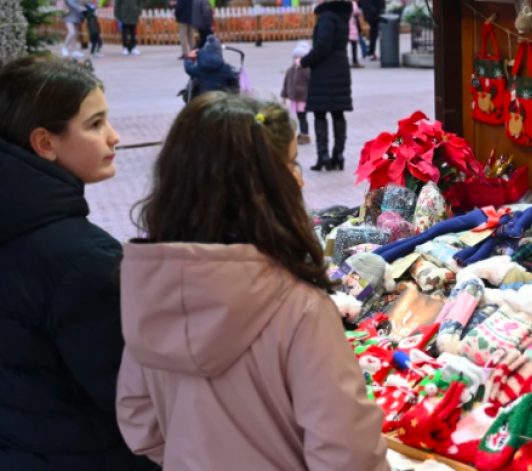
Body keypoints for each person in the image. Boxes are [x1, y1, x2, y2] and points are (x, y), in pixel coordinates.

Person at [115, 93, 389, 471]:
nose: (300, 179)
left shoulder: (151, 293)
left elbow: (139, 423)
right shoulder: (300, 310)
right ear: (262, 188)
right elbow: (349, 456)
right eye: (291, 164)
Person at [0, 56, 158, 471]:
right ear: (45, 143)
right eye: (95, 124)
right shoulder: (82, 260)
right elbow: (136, 401)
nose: (115, 137)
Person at [301, 0, 353, 172]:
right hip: (340, 68)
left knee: (320, 112)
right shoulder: (342, 16)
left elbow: (323, 45)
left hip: (325, 70)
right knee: (338, 112)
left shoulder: (326, 17)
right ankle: (338, 155)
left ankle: (323, 156)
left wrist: (305, 61)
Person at [282, 41, 312, 145]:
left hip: (303, 98)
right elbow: (286, 83)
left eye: (300, 57)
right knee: (299, 117)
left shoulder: (307, 70)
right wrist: (284, 96)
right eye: (295, 57)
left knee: (303, 116)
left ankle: (305, 134)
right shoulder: (290, 70)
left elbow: (311, 83)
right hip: (294, 98)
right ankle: (301, 133)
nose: (297, 59)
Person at [349, 0, 365, 68]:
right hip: (352, 24)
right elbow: (355, 11)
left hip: (345, 24)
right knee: (354, 44)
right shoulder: (352, 3)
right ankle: (355, 61)